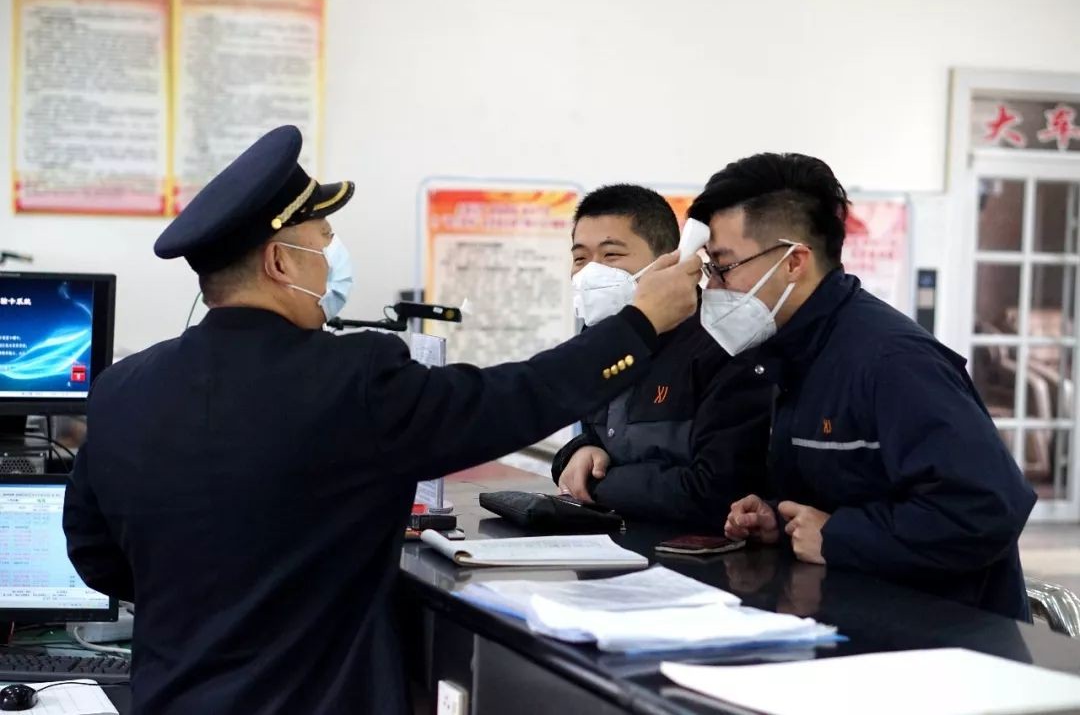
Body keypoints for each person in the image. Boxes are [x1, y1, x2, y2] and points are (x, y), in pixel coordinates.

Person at [62, 125, 703, 714]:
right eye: (323, 242)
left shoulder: (121, 389)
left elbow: (96, 556)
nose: (331, 259)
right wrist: (639, 323)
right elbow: (515, 398)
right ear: (280, 263)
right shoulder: (353, 377)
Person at [688, 152, 1035, 620]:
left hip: (946, 637)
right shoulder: (790, 352)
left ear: (794, 262)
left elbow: (986, 509)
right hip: (848, 615)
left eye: (724, 267)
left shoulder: (892, 361)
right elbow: (853, 490)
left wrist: (838, 536)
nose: (713, 288)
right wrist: (778, 518)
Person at [552, 184, 771, 527]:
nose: (591, 273)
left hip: (696, 551)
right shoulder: (599, 338)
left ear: (669, 260)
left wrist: (601, 484)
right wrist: (577, 453)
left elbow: (714, 491)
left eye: (611, 255)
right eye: (580, 258)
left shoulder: (723, 343)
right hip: (613, 539)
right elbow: (601, 436)